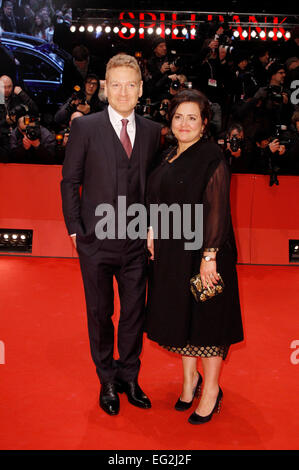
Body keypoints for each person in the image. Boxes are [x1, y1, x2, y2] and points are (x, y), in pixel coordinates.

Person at [60, 54, 161, 416]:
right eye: (115, 84)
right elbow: (70, 181)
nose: (122, 91)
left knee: (134, 312)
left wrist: (154, 227)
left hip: (136, 243)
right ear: (105, 88)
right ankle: (106, 379)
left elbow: (155, 187)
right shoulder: (85, 128)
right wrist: (75, 230)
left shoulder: (152, 131)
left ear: (140, 90)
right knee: (100, 313)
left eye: (130, 84)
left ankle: (129, 377)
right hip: (95, 242)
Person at [145, 89, 244, 424]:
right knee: (182, 318)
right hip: (173, 251)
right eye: (178, 117)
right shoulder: (169, 154)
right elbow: (158, 200)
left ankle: (212, 389)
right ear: (170, 121)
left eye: (192, 118)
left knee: (207, 322)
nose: (184, 123)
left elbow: (218, 210)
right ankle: (190, 381)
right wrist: (152, 230)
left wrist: (210, 256)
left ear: (204, 123)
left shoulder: (211, 156)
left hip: (204, 251)